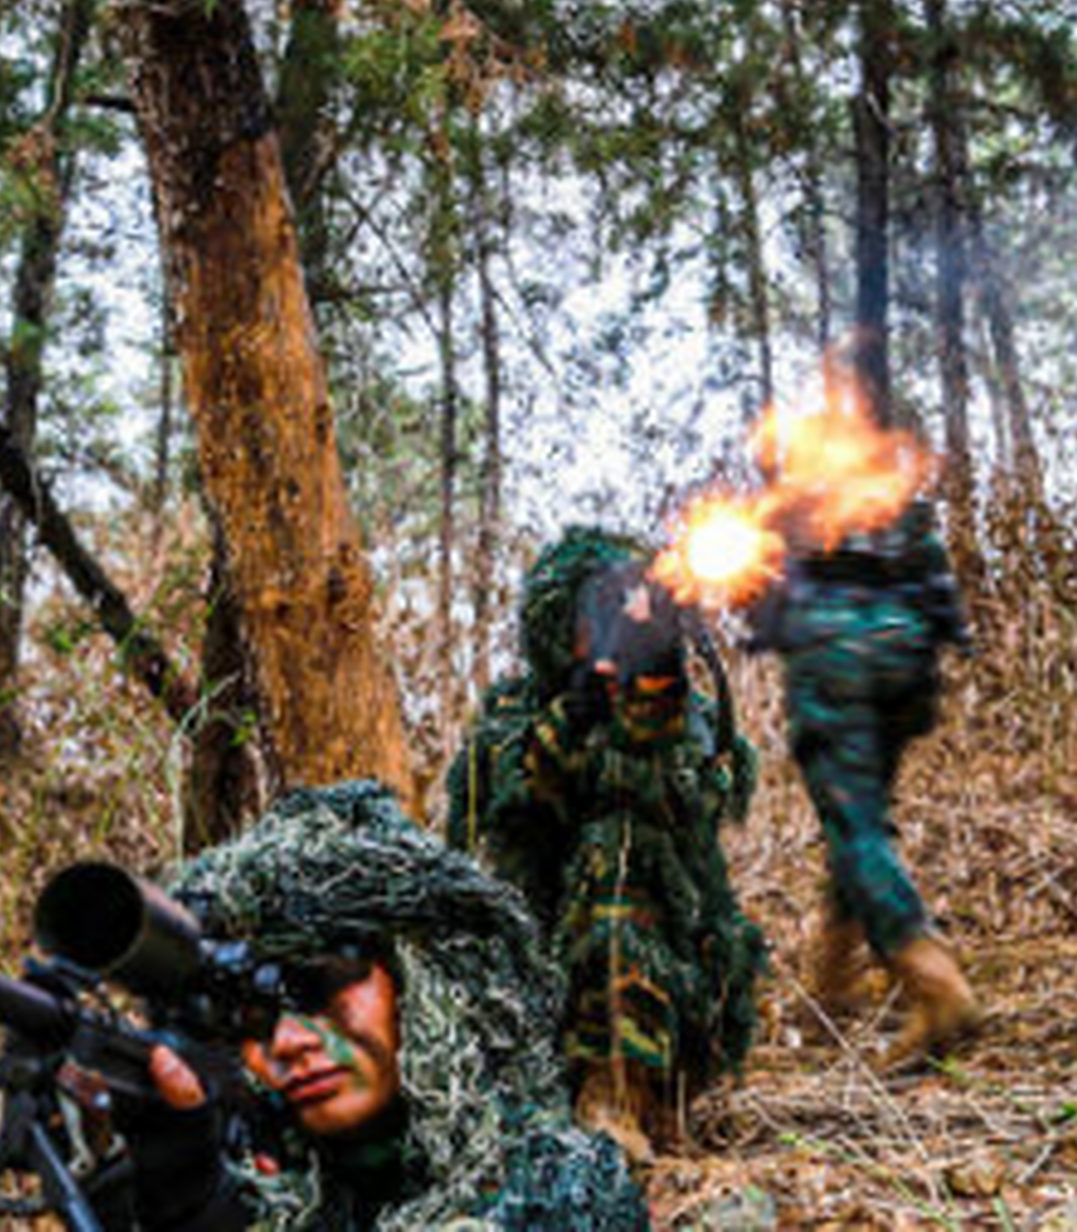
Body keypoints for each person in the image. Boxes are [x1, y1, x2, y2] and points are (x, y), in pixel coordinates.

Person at [111, 779, 649, 1230]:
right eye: (251, 1012)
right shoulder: (274, 1200)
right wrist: (165, 1187)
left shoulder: (559, 1184)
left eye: (320, 985)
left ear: (419, 982)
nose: (287, 1040)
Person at [445, 529, 765, 1165]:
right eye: (597, 613)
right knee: (607, 854)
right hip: (541, 979)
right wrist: (582, 705)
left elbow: (707, 803)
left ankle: (640, 1089)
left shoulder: (684, 710)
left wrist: (653, 686)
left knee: (628, 848)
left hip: (676, 982)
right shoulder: (519, 711)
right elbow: (518, 801)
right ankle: (604, 1095)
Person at [752, 484, 981, 1071]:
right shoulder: (885, 487)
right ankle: (832, 988)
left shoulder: (795, 495)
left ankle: (935, 982)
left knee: (854, 828)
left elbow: (760, 593)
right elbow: (940, 590)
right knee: (857, 821)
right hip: (906, 658)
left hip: (833, 657)